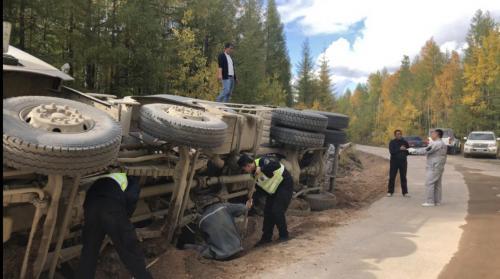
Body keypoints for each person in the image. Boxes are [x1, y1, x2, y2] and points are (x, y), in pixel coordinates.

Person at [77, 172, 153, 279]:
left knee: (89, 251)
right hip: (111, 207)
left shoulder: (104, 176)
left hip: (91, 208)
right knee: (129, 248)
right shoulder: (131, 179)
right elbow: (131, 198)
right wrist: (124, 221)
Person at [237, 154, 293, 246]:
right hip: (272, 191)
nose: (244, 171)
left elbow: (276, 165)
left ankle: (284, 235)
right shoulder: (253, 175)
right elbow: (260, 189)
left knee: (277, 210)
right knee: (267, 212)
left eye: (244, 169)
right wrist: (252, 199)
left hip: (284, 184)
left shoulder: (262, 161)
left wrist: (262, 169)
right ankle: (266, 238)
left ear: (248, 165)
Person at [184, 196, 251, 260]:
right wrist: (248, 205)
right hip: (237, 248)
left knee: (186, 246)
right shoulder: (224, 207)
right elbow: (243, 208)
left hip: (220, 254)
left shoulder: (201, 221)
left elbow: (200, 242)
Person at [409, 129, 448, 207]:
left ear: (437, 134)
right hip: (439, 166)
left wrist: (413, 150)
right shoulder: (442, 144)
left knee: (429, 183)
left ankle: (430, 201)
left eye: (432, 133)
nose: (431, 134)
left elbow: (426, 150)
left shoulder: (436, 144)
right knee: (437, 184)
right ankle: (437, 201)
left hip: (434, 166)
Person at [387, 129, 410, 197]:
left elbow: (408, 152)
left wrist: (405, 151)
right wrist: (400, 149)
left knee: (403, 177)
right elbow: (392, 151)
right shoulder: (392, 142)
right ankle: (390, 191)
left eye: (400, 134)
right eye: (397, 134)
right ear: (395, 135)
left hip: (403, 162)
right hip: (394, 162)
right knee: (392, 177)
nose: (399, 135)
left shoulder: (405, 142)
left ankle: (405, 192)